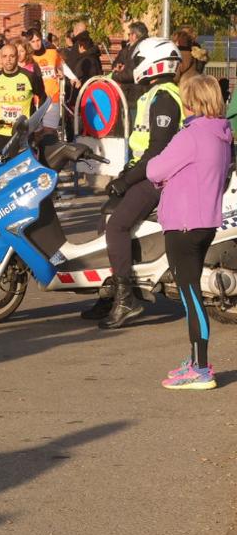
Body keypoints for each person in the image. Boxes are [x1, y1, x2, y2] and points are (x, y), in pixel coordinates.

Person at [89, 36, 185, 329]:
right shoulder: (154, 94)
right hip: (146, 171)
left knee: (117, 224)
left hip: (158, 178)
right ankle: (109, 290)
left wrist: (127, 180)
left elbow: (158, 151)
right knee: (106, 218)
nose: (135, 68)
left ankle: (126, 299)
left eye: (138, 62)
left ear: (154, 64)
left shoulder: (166, 98)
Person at [148, 74, 232, 389]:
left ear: (193, 101)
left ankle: (200, 368)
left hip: (183, 224)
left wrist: (164, 178)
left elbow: (155, 168)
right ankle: (195, 360)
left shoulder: (192, 135)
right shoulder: (223, 134)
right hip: (206, 222)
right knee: (190, 293)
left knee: (191, 295)